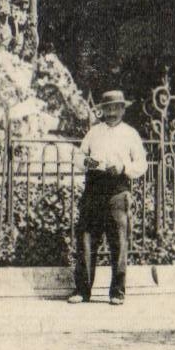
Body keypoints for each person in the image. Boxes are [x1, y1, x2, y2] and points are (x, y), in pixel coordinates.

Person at [68, 90, 146, 306]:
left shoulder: (130, 134)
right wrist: (90, 163)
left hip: (117, 191)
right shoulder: (94, 133)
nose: (111, 113)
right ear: (102, 110)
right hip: (94, 190)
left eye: (115, 108)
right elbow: (79, 157)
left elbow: (142, 164)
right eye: (107, 109)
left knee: (118, 242)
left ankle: (117, 292)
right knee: (86, 240)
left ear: (122, 109)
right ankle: (82, 291)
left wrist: (123, 167)